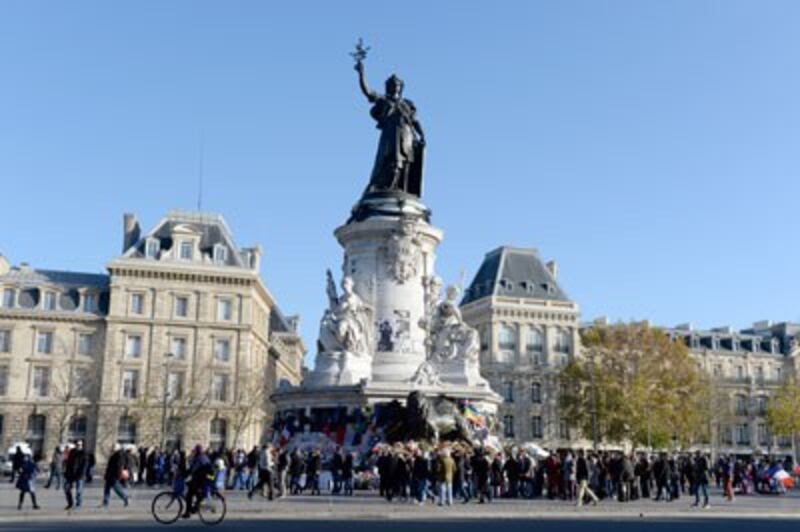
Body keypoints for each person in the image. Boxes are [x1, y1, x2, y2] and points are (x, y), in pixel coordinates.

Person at [183, 445, 212, 518]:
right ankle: (193, 508)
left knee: (189, 495)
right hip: (206, 478)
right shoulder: (204, 456)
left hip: (202, 479)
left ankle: (190, 511)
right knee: (194, 493)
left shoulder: (199, 458)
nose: (194, 452)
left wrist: (184, 474)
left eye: (195, 450)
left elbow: (193, 469)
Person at [64, 440, 88, 510]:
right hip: (71, 474)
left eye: (80, 445)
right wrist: (66, 473)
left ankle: (78, 505)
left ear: (82, 445)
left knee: (79, 491)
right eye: (77, 444)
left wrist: (82, 474)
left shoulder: (84, 453)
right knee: (66, 488)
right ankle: (70, 503)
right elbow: (68, 463)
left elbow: (85, 465)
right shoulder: (72, 452)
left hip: (79, 475)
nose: (79, 446)